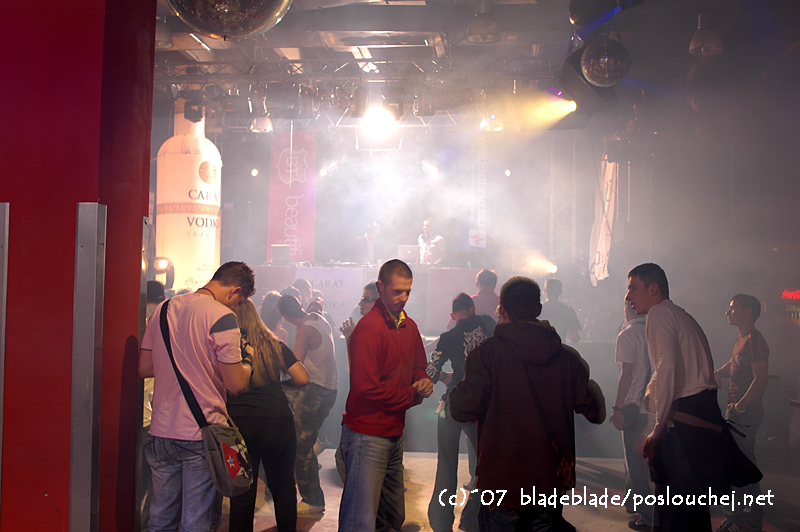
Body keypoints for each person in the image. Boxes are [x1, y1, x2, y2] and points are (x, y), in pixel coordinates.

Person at [450, 276, 605, 531]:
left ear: (503, 310)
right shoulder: (567, 359)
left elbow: (460, 408)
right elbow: (594, 411)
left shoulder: (486, 355)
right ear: (539, 309)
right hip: (549, 482)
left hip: (501, 481)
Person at [137, 261, 255, 532]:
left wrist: (184, 362)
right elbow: (235, 384)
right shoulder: (222, 317)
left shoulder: (163, 309)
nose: (236, 307)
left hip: (160, 433)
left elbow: (143, 368)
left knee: (160, 521)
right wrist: (247, 360)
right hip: (200, 435)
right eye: (239, 302)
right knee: (196, 523)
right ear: (235, 291)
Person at [625, 263, 727, 532]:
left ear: (653, 289)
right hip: (700, 419)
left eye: (633, 288)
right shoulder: (680, 315)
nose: (628, 296)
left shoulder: (659, 314)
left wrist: (656, 429)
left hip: (682, 426)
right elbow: (670, 370)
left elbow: (666, 368)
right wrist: (651, 394)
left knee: (673, 513)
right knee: (693, 512)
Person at [338, 259, 434, 532]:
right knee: (360, 521)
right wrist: (412, 395)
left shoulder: (408, 325)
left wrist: (423, 379)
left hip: (393, 432)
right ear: (381, 287)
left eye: (408, 292)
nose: (403, 298)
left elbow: (418, 365)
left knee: (390, 517)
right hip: (367, 434)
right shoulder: (369, 329)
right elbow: (366, 389)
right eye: (397, 291)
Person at [227, 299, 310, 532]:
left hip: (240, 424)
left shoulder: (228, 347)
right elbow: (303, 378)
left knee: (242, 491)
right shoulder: (274, 344)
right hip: (277, 419)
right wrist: (281, 387)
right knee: (283, 488)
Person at [426, 293, 495, 532]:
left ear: (452, 315)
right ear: (473, 309)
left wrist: (444, 377)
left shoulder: (448, 337)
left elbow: (431, 371)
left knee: (446, 464)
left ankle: (440, 523)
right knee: (484, 467)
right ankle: (471, 520)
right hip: (482, 408)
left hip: (453, 405)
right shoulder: (488, 324)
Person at [278, 294, 339, 515]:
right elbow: (318, 303)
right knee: (303, 439)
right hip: (328, 389)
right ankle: (314, 441)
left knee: (301, 447)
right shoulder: (316, 316)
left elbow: (294, 364)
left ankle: (312, 500)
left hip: (316, 391)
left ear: (285, 316)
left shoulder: (304, 331)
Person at [714, 294, 770, 532]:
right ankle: (751, 517)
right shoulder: (742, 339)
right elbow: (734, 364)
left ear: (748, 312)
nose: (728, 312)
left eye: (733, 308)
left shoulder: (755, 340)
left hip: (745, 414)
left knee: (734, 465)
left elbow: (761, 380)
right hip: (739, 412)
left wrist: (739, 407)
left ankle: (736, 519)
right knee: (745, 465)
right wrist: (718, 372)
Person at [609, 300, 655, 531]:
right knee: (644, 463)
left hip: (634, 407)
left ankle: (648, 517)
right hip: (655, 405)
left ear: (628, 308)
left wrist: (618, 408)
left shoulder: (627, 335)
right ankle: (633, 502)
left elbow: (626, 375)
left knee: (636, 465)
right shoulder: (657, 331)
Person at [540, 278, 582, 343]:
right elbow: (575, 338)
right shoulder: (568, 311)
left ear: (545, 291)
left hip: (539, 348)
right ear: (560, 292)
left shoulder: (537, 309)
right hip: (558, 348)